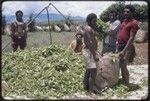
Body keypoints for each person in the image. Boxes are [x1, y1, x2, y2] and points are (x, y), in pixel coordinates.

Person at [116, 5, 139, 87]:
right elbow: (120, 32)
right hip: (120, 45)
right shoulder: (124, 21)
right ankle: (124, 81)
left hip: (127, 47)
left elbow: (131, 37)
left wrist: (124, 50)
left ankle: (127, 83)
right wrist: (117, 42)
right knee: (120, 64)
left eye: (128, 12)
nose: (125, 13)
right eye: (124, 11)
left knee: (123, 65)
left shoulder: (134, 23)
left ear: (132, 13)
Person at [82, 13, 99, 93]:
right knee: (93, 71)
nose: (95, 22)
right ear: (89, 21)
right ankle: (91, 91)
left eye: (96, 21)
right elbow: (89, 43)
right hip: (89, 52)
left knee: (89, 70)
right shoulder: (88, 29)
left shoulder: (90, 28)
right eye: (94, 21)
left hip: (90, 51)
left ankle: (85, 85)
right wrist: (94, 54)